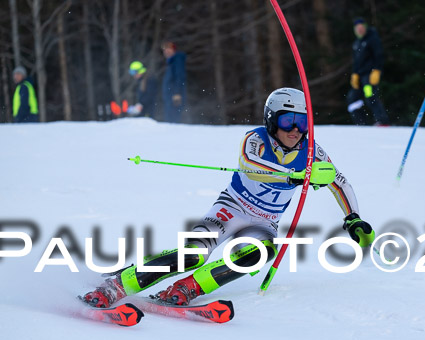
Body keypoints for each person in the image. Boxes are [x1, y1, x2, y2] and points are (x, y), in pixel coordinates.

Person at [81, 88, 376, 309]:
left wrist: (353, 218)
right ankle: (117, 286)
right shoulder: (256, 139)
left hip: (264, 223)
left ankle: (188, 288)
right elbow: (251, 165)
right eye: (288, 121)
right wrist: (294, 177)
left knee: (260, 252)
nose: (296, 130)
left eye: (303, 122)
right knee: (193, 255)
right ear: (272, 120)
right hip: (230, 210)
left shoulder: (313, 152)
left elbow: (340, 183)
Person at [347, 17, 390, 126]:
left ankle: (382, 121)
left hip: (369, 75)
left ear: (365, 28)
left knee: (370, 95)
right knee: (352, 98)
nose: (359, 30)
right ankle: (361, 123)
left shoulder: (372, 39)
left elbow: (379, 55)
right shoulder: (357, 43)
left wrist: (377, 70)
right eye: (357, 28)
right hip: (359, 76)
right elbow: (356, 61)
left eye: (361, 28)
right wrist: (354, 74)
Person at [161, 41, 186, 123]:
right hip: (169, 95)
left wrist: (177, 93)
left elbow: (180, 76)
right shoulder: (170, 62)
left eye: (169, 49)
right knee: (170, 118)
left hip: (174, 95)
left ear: (173, 50)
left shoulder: (177, 60)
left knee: (174, 119)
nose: (166, 51)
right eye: (165, 49)